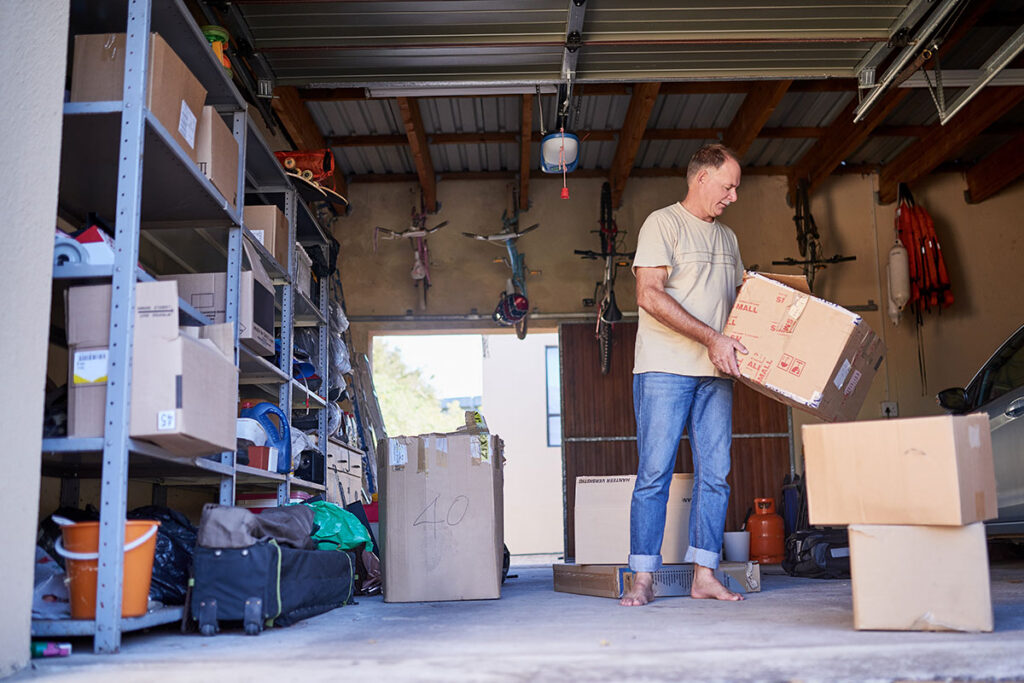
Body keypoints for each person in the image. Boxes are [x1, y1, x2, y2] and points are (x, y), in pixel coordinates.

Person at [620, 143, 748, 607]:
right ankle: (643, 578)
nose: (733, 196)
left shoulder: (729, 239)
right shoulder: (663, 223)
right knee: (654, 473)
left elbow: (739, 307)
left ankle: (704, 575)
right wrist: (711, 338)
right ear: (701, 179)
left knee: (716, 475)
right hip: (664, 369)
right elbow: (648, 295)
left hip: (716, 373)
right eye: (728, 186)